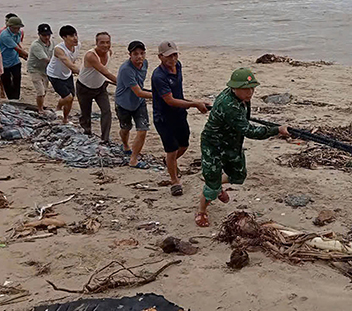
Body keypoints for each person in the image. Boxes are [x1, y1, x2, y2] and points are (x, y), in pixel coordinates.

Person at [194, 68, 289, 227]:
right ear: (234, 87)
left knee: (238, 175)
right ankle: (202, 211)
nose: (250, 92)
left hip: (232, 141)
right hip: (214, 144)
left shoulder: (241, 98)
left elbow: (243, 122)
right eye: (246, 89)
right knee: (211, 182)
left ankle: (217, 186)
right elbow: (250, 131)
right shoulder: (229, 105)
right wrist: (276, 130)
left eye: (252, 88)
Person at [150, 41, 208, 196]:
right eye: (169, 56)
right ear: (160, 57)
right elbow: (170, 100)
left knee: (183, 145)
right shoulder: (159, 76)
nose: (173, 59)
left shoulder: (179, 66)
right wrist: (195, 104)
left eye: (175, 54)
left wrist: (195, 102)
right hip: (164, 117)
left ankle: (169, 162)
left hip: (179, 114)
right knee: (171, 150)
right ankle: (174, 180)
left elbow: (177, 95)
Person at [115, 41, 153, 168]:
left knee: (143, 130)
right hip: (123, 104)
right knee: (125, 128)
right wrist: (158, 96)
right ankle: (125, 145)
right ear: (129, 55)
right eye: (135, 54)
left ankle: (133, 159)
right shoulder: (126, 69)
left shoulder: (145, 64)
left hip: (139, 103)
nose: (139, 57)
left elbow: (140, 86)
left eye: (142, 53)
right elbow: (138, 92)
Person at [77, 32, 117, 142]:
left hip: (100, 87)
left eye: (108, 42)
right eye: (102, 43)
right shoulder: (91, 56)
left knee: (106, 111)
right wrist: (121, 83)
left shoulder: (109, 52)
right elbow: (105, 72)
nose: (105, 45)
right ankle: (87, 131)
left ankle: (105, 138)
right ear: (96, 43)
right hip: (84, 87)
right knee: (86, 113)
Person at [46, 25, 80, 124]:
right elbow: (66, 61)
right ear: (64, 37)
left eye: (76, 35)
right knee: (67, 97)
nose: (75, 38)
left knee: (71, 98)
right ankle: (58, 107)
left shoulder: (78, 46)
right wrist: (81, 73)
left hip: (67, 74)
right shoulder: (58, 49)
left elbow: (72, 60)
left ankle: (65, 119)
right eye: (72, 36)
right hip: (55, 75)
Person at [27, 24, 55, 114]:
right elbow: (46, 59)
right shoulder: (36, 45)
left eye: (48, 35)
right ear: (39, 35)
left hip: (45, 69)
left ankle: (41, 105)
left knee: (45, 89)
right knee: (40, 91)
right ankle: (40, 109)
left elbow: (55, 55)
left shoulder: (52, 43)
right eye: (44, 35)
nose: (47, 37)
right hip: (35, 69)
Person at [0, 16, 28, 100]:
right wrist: (30, 56)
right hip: (4, 61)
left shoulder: (19, 33)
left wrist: (23, 56)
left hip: (15, 60)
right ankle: (11, 98)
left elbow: (18, 45)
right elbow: (16, 48)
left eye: (19, 28)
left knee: (17, 79)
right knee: (7, 81)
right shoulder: (5, 35)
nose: (17, 30)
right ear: (9, 27)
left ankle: (16, 98)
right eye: (15, 28)